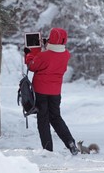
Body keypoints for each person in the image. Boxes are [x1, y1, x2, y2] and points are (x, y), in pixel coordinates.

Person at [24, 27, 79, 155]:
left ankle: (48, 150)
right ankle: (70, 143)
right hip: (55, 92)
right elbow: (53, 55)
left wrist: (32, 52)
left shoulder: (44, 55)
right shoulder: (66, 54)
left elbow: (32, 65)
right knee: (56, 118)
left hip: (41, 91)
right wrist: (45, 47)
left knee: (43, 120)